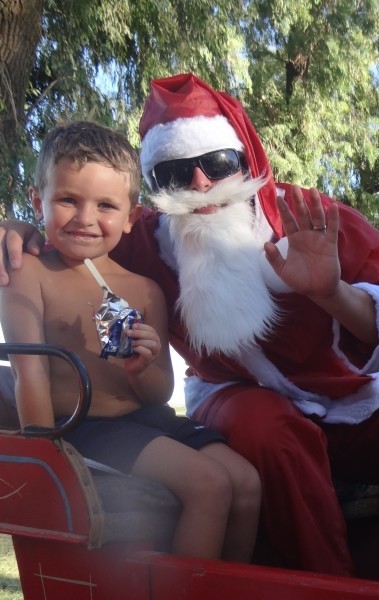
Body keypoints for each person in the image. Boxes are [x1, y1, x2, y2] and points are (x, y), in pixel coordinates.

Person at [0, 74, 379, 576]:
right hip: (238, 403)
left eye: (217, 162)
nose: (201, 183)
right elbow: (77, 233)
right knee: (274, 433)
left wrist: (331, 292)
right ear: (155, 188)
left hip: (352, 401)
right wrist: (20, 231)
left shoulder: (308, 216)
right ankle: (328, 585)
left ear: (244, 157)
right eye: (175, 173)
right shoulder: (142, 238)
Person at [0, 120, 261, 563]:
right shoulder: (28, 274)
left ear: (130, 218)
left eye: (105, 205)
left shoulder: (145, 292)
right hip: (84, 429)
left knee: (246, 483)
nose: (85, 218)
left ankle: (230, 586)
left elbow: (159, 391)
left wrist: (141, 368)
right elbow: (31, 374)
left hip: (151, 419)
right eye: (67, 200)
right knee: (210, 485)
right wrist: (47, 457)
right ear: (37, 202)